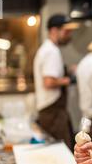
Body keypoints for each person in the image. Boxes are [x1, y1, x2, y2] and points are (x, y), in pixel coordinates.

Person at [33, 14, 79, 149]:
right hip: (52, 112)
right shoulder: (51, 51)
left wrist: (68, 71)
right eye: (66, 31)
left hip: (51, 112)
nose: (69, 35)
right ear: (54, 30)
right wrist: (71, 80)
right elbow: (48, 82)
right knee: (62, 154)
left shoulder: (48, 49)